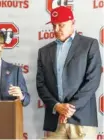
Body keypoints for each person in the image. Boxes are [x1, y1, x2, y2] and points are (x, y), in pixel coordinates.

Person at [36, 6, 102, 139]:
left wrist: (69, 108)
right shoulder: (44, 52)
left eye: (61, 25)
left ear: (73, 22)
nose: (56, 30)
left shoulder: (89, 45)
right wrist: (57, 106)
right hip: (55, 121)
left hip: (82, 120)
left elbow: (93, 80)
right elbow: (41, 85)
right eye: (54, 25)